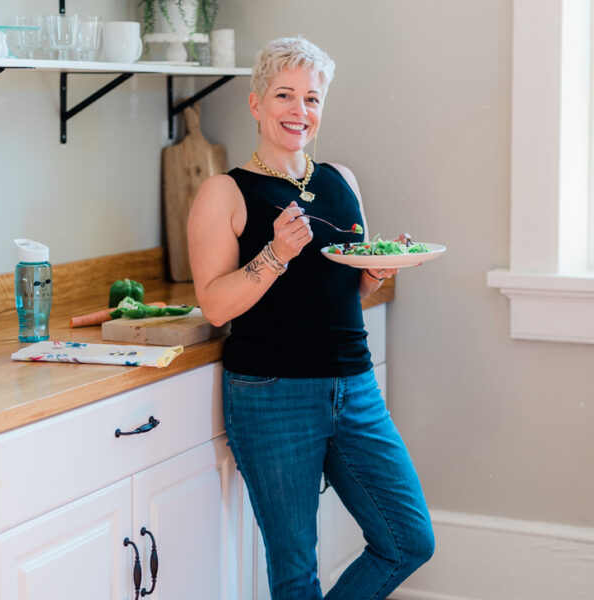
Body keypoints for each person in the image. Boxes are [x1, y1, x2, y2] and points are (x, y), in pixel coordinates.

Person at [187, 36, 434, 600]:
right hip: (271, 392)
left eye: (312, 99)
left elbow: (346, 288)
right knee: (296, 571)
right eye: (285, 96)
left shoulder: (341, 180)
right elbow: (216, 305)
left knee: (408, 540)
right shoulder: (224, 193)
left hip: (354, 385)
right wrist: (274, 255)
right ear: (256, 104)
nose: (300, 111)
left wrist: (377, 272)